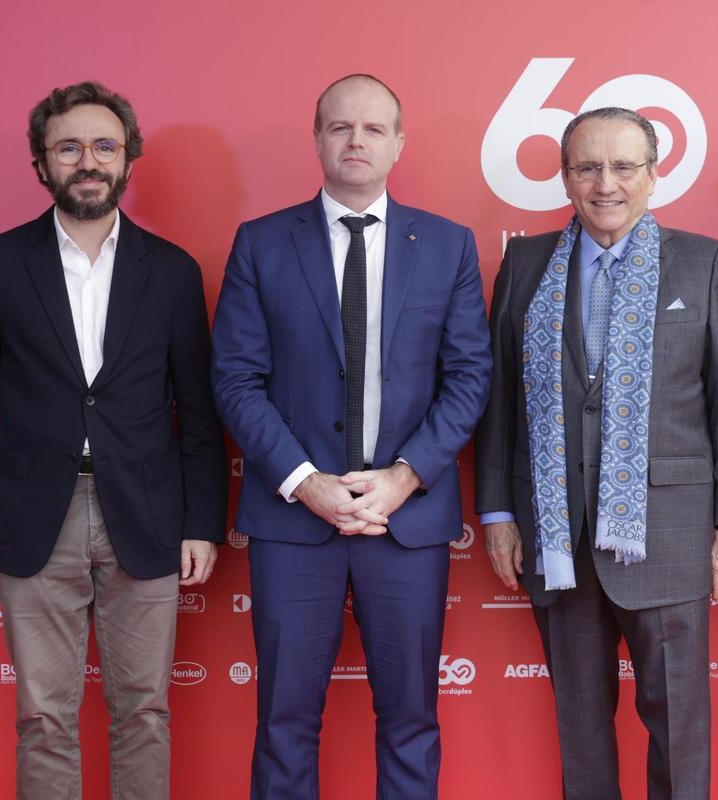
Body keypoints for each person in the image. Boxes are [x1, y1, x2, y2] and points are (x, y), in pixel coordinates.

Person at [0, 80, 226, 800]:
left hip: (149, 514)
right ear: (42, 163)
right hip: (33, 514)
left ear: (129, 158)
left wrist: (202, 523)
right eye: (69, 147)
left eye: (104, 145)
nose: (88, 160)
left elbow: (198, 411)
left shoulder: (173, 270)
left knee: (146, 712)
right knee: (43, 717)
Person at [211, 73, 491, 799]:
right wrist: (307, 483)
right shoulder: (261, 243)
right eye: (340, 127)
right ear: (317, 140)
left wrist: (403, 479)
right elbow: (236, 379)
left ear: (399, 143)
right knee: (283, 723)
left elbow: (469, 377)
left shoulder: (449, 246)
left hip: (406, 521)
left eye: (372, 129)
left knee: (409, 719)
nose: (356, 140)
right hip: (293, 521)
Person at [475, 107, 718, 800]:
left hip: (669, 535)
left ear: (654, 177)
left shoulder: (704, 261)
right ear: (566, 178)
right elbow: (500, 400)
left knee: (679, 729)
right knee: (581, 729)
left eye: (624, 166)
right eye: (588, 167)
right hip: (555, 534)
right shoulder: (525, 264)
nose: (607, 184)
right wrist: (498, 512)